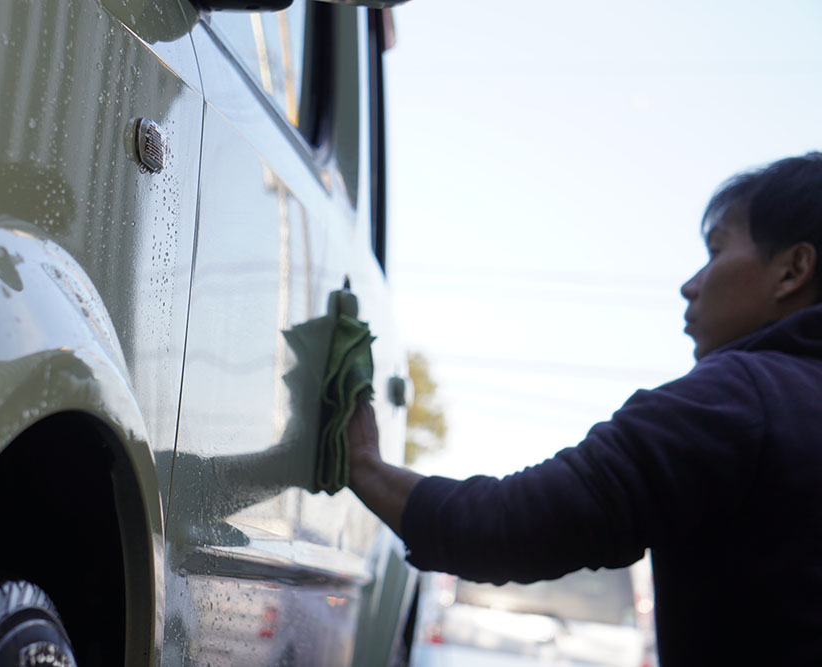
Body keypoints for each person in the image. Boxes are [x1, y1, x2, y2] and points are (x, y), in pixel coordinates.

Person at [347, 152, 822, 665]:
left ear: (792, 269)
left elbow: (503, 528)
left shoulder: (736, 399)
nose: (691, 284)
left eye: (715, 251)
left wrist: (364, 466)